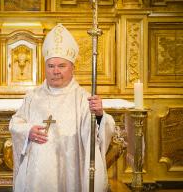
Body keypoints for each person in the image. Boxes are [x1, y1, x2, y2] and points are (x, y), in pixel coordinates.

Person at [9, 24, 115, 192]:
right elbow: (15, 123)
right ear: (45, 68)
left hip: (71, 172)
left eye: (61, 66)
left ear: (73, 67)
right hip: (37, 175)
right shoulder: (32, 96)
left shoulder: (83, 98)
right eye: (51, 66)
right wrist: (27, 131)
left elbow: (98, 132)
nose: (55, 71)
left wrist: (100, 115)